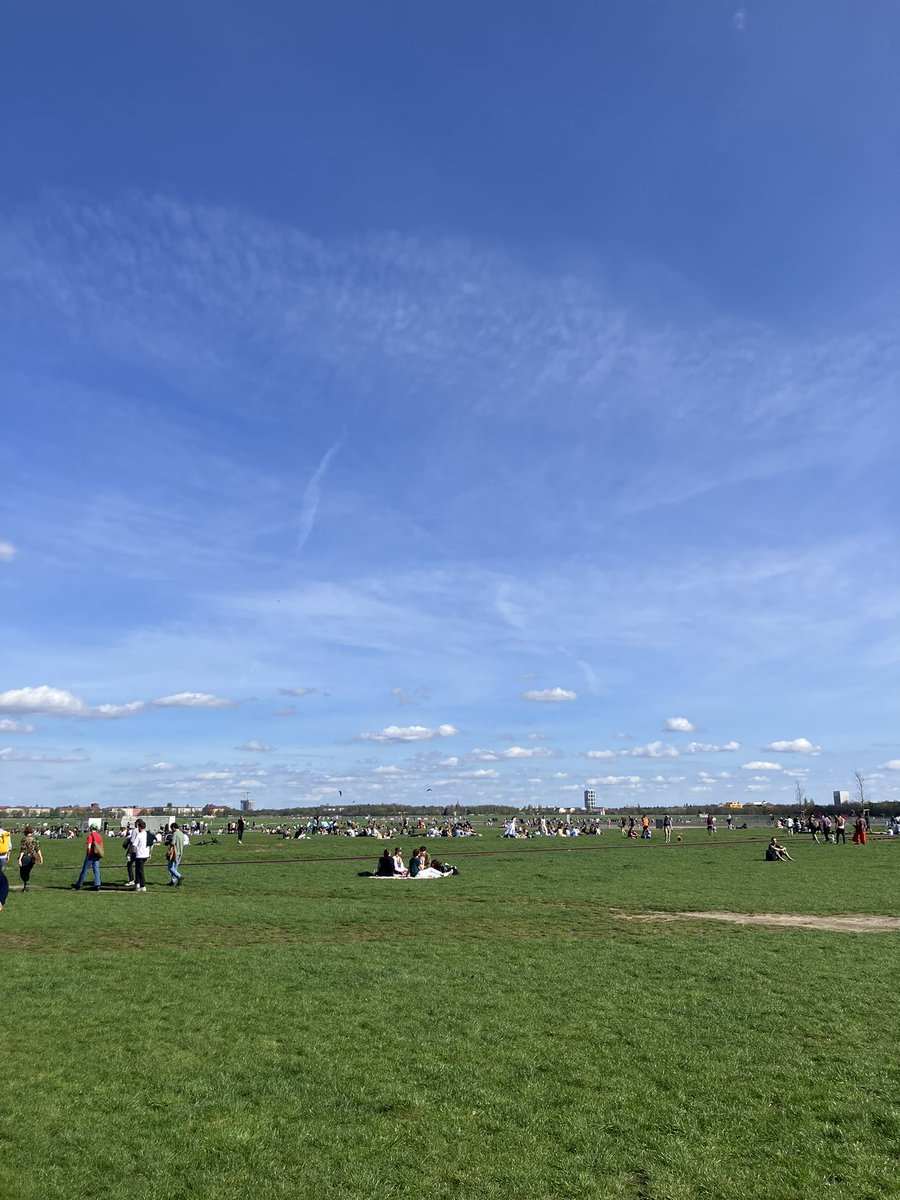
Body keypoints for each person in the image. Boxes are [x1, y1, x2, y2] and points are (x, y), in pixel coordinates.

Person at [17, 826, 42, 892]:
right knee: (27, 871)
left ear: (25, 832)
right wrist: (41, 857)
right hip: (33, 857)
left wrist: (20, 859)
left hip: (25, 857)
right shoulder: (36, 839)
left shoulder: (24, 840)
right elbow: (38, 849)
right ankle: (26, 885)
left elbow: (23, 850)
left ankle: (26, 884)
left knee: (22, 872)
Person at [129, 819, 152, 891]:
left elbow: (134, 845)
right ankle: (137, 884)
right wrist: (150, 853)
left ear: (139, 827)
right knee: (138, 869)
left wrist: (130, 854)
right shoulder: (148, 834)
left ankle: (143, 885)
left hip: (140, 855)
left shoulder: (139, 835)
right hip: (146, 854)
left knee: (140, 870)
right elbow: (151, 844)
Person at [166, 822, 186, 887]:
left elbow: (173, 843)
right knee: (175, 868)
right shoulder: (182, 833)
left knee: (170, 867)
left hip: (175, 853)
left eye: (172, 829)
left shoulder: (175, 833)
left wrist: (168, 843)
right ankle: (173, 881)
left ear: (174, 828)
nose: (172, 830)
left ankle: (179, 876)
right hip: (181, 852)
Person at [0, 824, 11, 912]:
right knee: (3, 881)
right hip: (2, 856)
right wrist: (8, 855)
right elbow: (9, 846)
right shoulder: (5, 833)